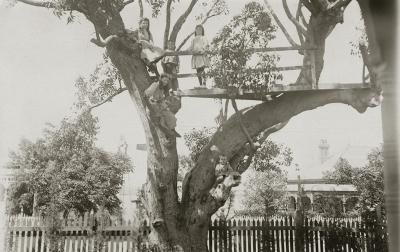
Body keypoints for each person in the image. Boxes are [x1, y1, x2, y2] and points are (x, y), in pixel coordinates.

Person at [145, 74, 180, 138]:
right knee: (162, 121)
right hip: (152, 106)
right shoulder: (155, 85)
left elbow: (161, 100)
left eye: (167, 81)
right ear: (160, 79)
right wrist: (154, 100)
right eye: (164, 80)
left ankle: (172, 130)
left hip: (159, 106)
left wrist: (165, 107)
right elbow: (147, 94)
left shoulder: (161, 89)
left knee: (171, 116)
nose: (165, 82)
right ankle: (167, 134)